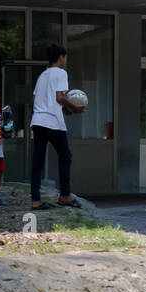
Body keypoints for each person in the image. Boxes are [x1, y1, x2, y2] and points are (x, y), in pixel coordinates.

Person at [30, 43, 85, 211]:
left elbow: (34, 100)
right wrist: (73, 108)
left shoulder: (42, 75)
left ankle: (36, 200)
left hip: (38, 121)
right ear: (61, 57)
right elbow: (59, 96)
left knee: (37, 161)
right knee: (65, 155)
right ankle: (65, 196)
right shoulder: (61, 73)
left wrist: (61, 110)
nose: (65, 60)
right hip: (53, 122)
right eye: (65, 57)